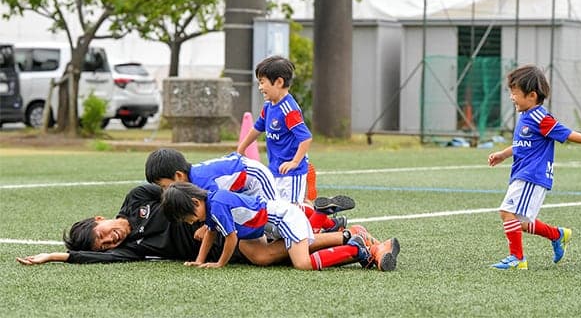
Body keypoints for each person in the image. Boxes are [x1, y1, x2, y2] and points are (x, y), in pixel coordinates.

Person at [15, 183, 378, 269]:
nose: (110, 241)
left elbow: (179, 186)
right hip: (215, 244)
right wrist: (54, 256)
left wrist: (207, 221)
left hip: (220, 225)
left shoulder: (139, 197)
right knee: (271, 250)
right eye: (106, 245)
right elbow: (98, 260)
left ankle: (341, 233)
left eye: (103, 234)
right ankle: (338, 229)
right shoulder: (133, 249)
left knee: (263, 253)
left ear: (99, 219)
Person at [487, 65, 581, 270]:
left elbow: (567, 133)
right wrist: (504, 154)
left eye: (515, 92)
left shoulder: (541, 118)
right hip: (522, 173)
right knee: (518, 220)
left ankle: (517, 258)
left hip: (532, 175)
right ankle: (557, 235)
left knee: (507, 213)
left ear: (531, 95)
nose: (511, 97)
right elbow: (524, 143)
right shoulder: (526, 117)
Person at [161, 182, 401, 271]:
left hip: (284, 220)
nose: (191, 223)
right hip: (277, 223)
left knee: (302, 263)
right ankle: (348, 236)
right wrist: (200, 260)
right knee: (308, 245)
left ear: (195, 203)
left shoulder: (218, 203)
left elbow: (231, 238)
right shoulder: (210, 207)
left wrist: (218, 264)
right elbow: (212, 233)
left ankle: (357, 250)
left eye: (188, 218)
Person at [144, 148, 352, 233]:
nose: (165, 192)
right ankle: (332, 222)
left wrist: (207, 228)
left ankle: (323, 220)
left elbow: (217, 207)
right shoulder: (195, 175)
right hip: (246, 180)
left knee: (275, 218)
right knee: (272, 216)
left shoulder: (201, 182)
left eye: (164, 186)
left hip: (256, 179)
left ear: (179, 176)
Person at [237, 56, 312, 205]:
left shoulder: (288, 109)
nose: (260, 87)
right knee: (277, 209)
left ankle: (324, 221)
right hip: (275, 169)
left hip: (292, 174)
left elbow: (306, 138)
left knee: (293, 211)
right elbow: (257, 127)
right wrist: (241, 148)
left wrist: (294, 162)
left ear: (278, 82)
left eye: (262, 82)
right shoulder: (268, 106)